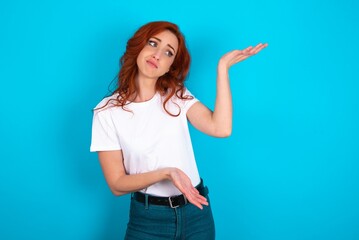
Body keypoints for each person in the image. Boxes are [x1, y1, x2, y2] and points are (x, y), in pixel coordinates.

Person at [90, 21, 267, 239]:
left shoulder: (176, 94)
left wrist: (223, 69)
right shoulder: (106, 112)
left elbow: (220, 128)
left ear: (170, 66)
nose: (157, 54)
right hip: (148, 221)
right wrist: (166, 173)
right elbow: (116, 184)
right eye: (153, 43)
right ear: (138, 46)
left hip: (197, 213)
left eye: (168, 52)